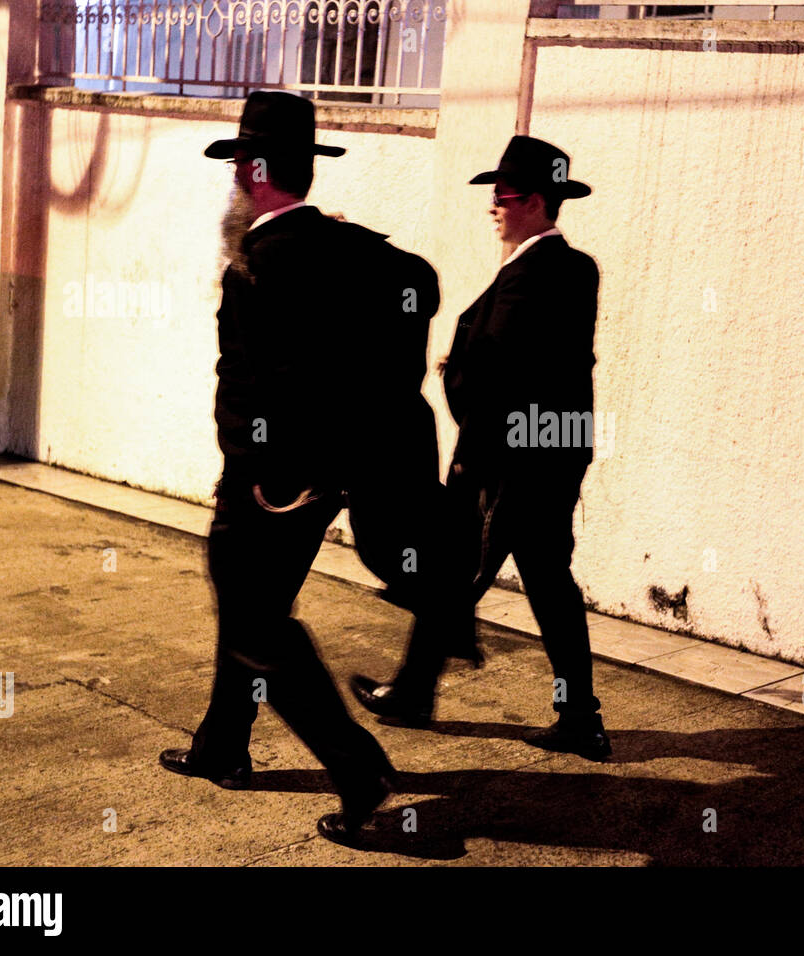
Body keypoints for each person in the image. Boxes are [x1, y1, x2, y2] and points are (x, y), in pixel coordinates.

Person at [158, 90, 398, 842]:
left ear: (257, 171)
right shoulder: (358, 249)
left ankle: (358, 768)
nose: (234, 181)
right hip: (325, 483)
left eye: (238, 166)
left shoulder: (258, 264)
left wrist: (257, 471)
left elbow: (255, 387)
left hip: (267, 487)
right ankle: (223, 746)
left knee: (260, 629)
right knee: (250, 613)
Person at [350, 135, 612, 761]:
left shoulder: (530, 274)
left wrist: (453, 373)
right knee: (547, 580)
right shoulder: (574, 268)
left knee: (451, 572)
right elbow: (556, 369)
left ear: (538, 202)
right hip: (554, 452)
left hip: (512, 461)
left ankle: (419, 691)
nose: (493, 205)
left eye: (505, 195)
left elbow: (498, 374)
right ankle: (578, 716)